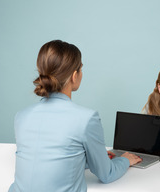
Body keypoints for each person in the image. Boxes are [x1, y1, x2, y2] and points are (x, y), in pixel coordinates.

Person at [9, 40, 142, 192]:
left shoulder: (21, 116)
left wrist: (89, 159)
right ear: (74, 76)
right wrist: (125, 160)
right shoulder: (86, 119)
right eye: (81, 69)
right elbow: (107, 174)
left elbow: (46, 159)